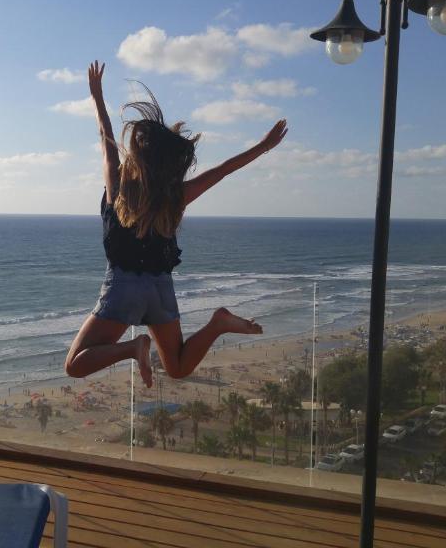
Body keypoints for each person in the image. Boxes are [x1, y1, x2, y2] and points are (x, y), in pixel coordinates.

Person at [65, 60, 288, 388]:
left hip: (124, 287)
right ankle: (217, 324)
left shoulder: (118, 189)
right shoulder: (175, 198)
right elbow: (222, 170)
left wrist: (97, 96)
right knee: (179, 367)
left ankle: (132, 347)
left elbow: (105, 136)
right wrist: (264, 147)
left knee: (75, 365)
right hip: (160, 289)